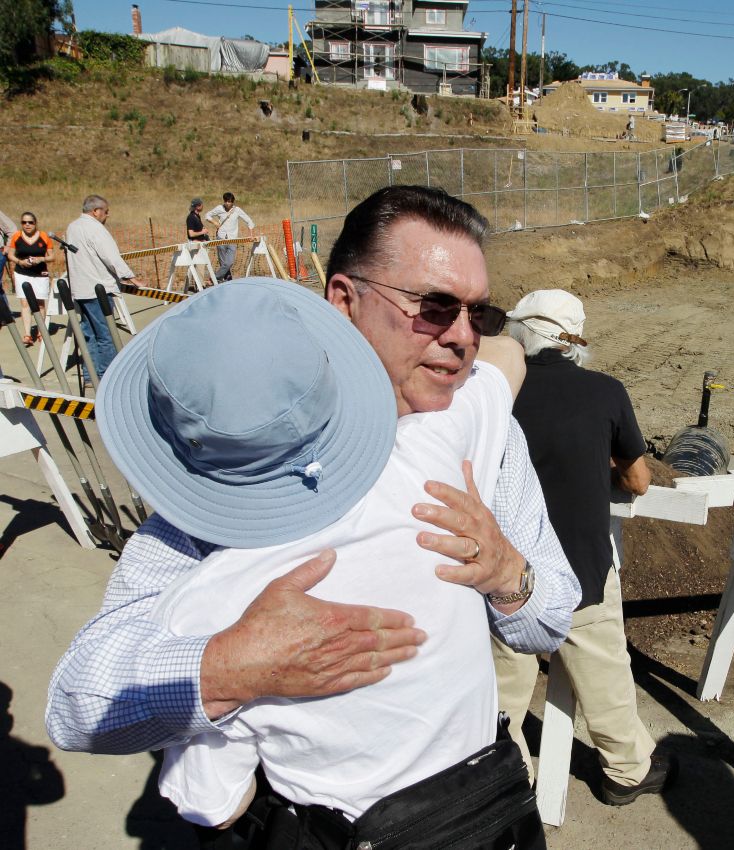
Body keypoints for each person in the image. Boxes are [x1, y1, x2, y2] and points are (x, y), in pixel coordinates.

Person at [46, 187, 578, 777]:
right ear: (345, 300)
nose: (462, 337)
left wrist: (507, 573)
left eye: (478, 314)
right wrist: (232, 666)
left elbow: (551, 618)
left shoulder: (487, 434)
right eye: (434, 307)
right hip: (309, 814)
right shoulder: (246, 454)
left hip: (469, 798)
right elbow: (78, 705)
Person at [94, 277, 546, 847]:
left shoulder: (208, 607)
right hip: (490, 815)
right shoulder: (432, 448)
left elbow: (211, 804)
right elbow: (506, 360)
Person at [492, 289, 676, 806]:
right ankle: (627, 771)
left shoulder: (491, 391)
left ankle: (506, 784)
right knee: (604, 678)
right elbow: (638, 480)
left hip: (508, 570)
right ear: (573, 342)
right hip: (582, 565)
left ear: (518, 333)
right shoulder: (604, 391)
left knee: (504, 687)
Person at [64, 195, 146, 385]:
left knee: (89, 333)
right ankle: (107, 376)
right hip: (98, 290)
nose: (107, 215)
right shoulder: (95, 229)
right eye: (106, 211)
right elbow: (111, 257)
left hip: (80, 289)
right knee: (106, 334)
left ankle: (90, 375)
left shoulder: (72, 227)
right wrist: (132, 278)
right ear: (96, 211)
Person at [5, 211, 53, 346]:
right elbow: (10, 254)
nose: (27, 225)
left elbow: (52, 256)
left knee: (40, 303)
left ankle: (41, 331)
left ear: (35, 223)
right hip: (22, 273)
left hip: (40, 273)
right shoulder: (17, 236)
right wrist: (20, 262)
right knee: (24, 303)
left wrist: (41, 259)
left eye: (30, 222)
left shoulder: (44, 236)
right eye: (24, 222)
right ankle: (27, 334)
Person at [205, 192, 255, 282]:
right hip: (221, 238)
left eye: (230, 202)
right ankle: (227, 280)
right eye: (226, 201)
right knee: (223, 263)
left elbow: (249, 221)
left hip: (232, 239)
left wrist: (251, 234)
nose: (228, 203)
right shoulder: (219, 208)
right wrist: (214, 222)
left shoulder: (237, 210)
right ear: (224, 201)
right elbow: (207, 215)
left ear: (233, 202)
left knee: (229, 262)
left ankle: (214, 278)